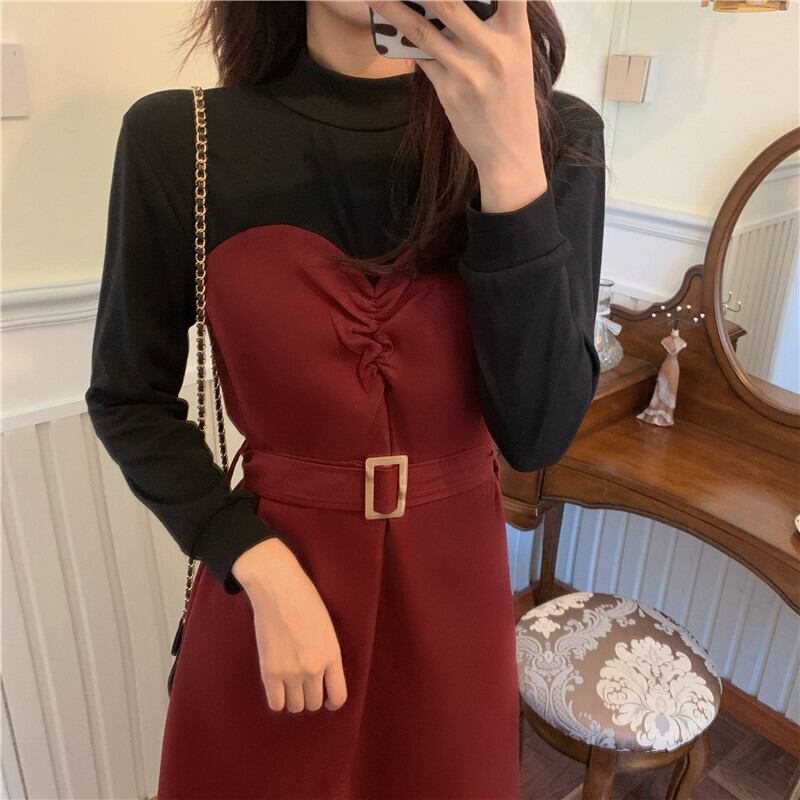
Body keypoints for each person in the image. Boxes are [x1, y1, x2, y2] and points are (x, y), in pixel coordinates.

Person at [84, 1, 606, 797]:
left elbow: (537, 434)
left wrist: (507, 164)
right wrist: (257, 564)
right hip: (273, 595)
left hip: (455, 604)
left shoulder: (555, 135)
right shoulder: (180, 139)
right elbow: (128, 396)